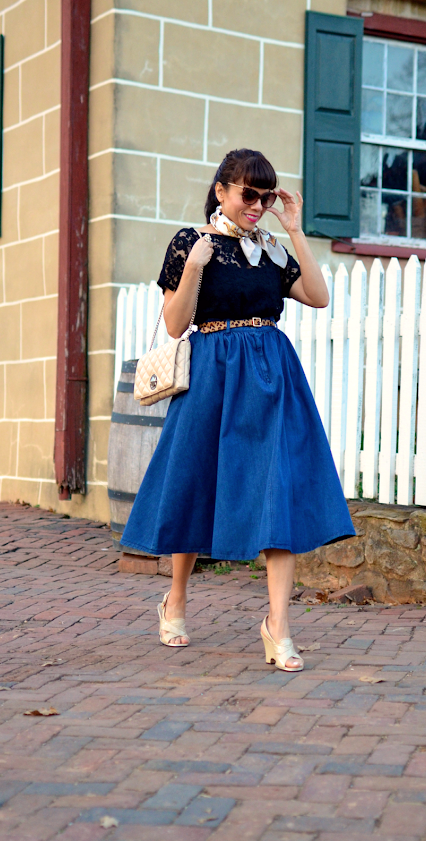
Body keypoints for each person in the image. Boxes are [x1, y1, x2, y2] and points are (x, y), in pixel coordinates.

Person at [121, 148, 355, 671]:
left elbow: (317, 297)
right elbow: (177, 324)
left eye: (265, 195)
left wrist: (294, 229)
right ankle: (175, 601)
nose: (257, 204)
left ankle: (278, 627)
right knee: (195, 483)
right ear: (222, 190)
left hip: (272, 377)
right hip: (211, 376)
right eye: (249, 194)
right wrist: (193, 271)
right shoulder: (191, 243)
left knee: (277, 488)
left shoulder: (270, 248)